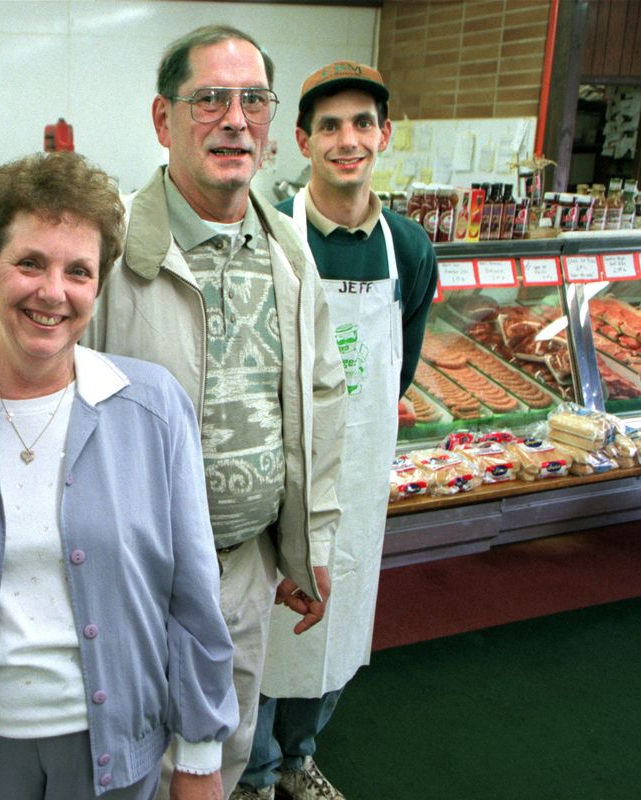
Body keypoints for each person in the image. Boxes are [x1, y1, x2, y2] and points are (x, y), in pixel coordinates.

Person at [0, 151, 237, 800]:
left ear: (99, 285)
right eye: (30, 263)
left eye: (79, 272)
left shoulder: (151, 408)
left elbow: (192, 591)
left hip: (115, 751)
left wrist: (201, 754)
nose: (52, 292)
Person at [84, 25, 348, 799]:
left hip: (242, 568)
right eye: (209, 100)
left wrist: (309, 537)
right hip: (128, 579)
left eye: (254, 100)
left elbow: (322, 396)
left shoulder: (289, 252)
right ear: (164, 120)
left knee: (219, 757)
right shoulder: (112, 250)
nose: (235, 120)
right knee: (121, 763)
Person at [233, 62, 438, 800]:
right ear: (301, 139)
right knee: (263, 616)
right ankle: (251, 772)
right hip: (276, 470)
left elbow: (402, 365)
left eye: (362, 124)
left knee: (339, 613)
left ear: (384, 135)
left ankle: (300, 757)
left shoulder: (409, 250)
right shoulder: (266, 234)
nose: (347, 140)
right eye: (329, 126)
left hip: (357, 475)